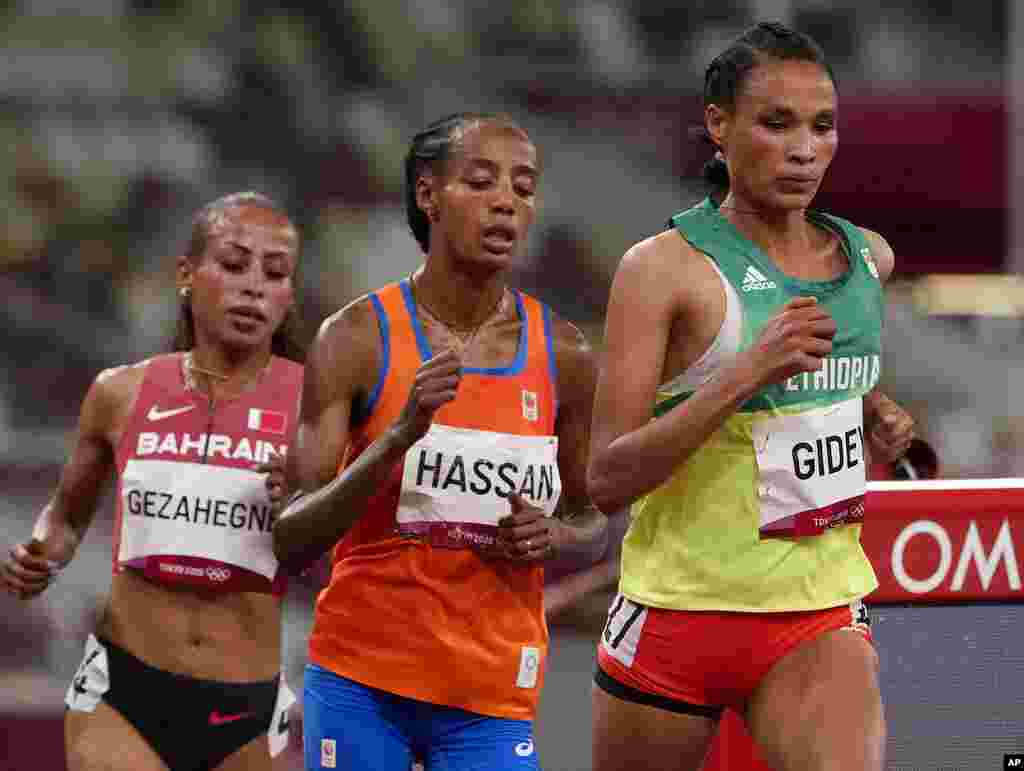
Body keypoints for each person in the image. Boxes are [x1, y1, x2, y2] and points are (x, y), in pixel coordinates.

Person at [586, 23, 915, 771]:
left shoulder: (870, 258)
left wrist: (874, 413)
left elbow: (826, 388)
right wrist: (742, 373)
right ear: (718, 124)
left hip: (816, 613)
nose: (804, 148)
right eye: (777, 122)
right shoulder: (660, 270)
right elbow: (604, 478)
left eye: (822, 126)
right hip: (675, 614)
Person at [272, 112, 607, 771]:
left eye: (524, 186)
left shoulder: (564, 351)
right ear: (428, 195)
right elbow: (291, 536)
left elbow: (589, 513)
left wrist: (555, 536)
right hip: (363, 681)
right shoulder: (357, 338)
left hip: (491, 693)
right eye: (481, 181)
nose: (507, 201)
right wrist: (397, 437)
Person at [1, 192, 305, 771]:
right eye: (234, 265)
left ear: (288, 295)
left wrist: (302, 502)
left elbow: (343, 545)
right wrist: (40, 552)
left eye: (275, 273)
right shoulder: (119, 392)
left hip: (246, 699)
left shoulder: (314, 405)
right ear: (187, 275)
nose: (253, 287)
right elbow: (65, 518)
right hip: (124, 688)